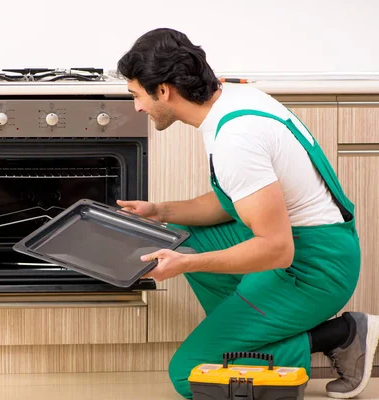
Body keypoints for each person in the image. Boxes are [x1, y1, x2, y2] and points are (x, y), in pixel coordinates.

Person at [115, 28, 379, 399]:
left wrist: (186, 264)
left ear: (163, 90)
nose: (137, 107)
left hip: (314, 267)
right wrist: (160, 211)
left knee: (191, 373)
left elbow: (277, 250)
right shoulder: (233, 100)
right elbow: (236, 199)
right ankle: (250, 334)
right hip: (311, 244)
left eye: (136, 95)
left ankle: (340, 336)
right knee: (180, 232)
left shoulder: (237, 139)